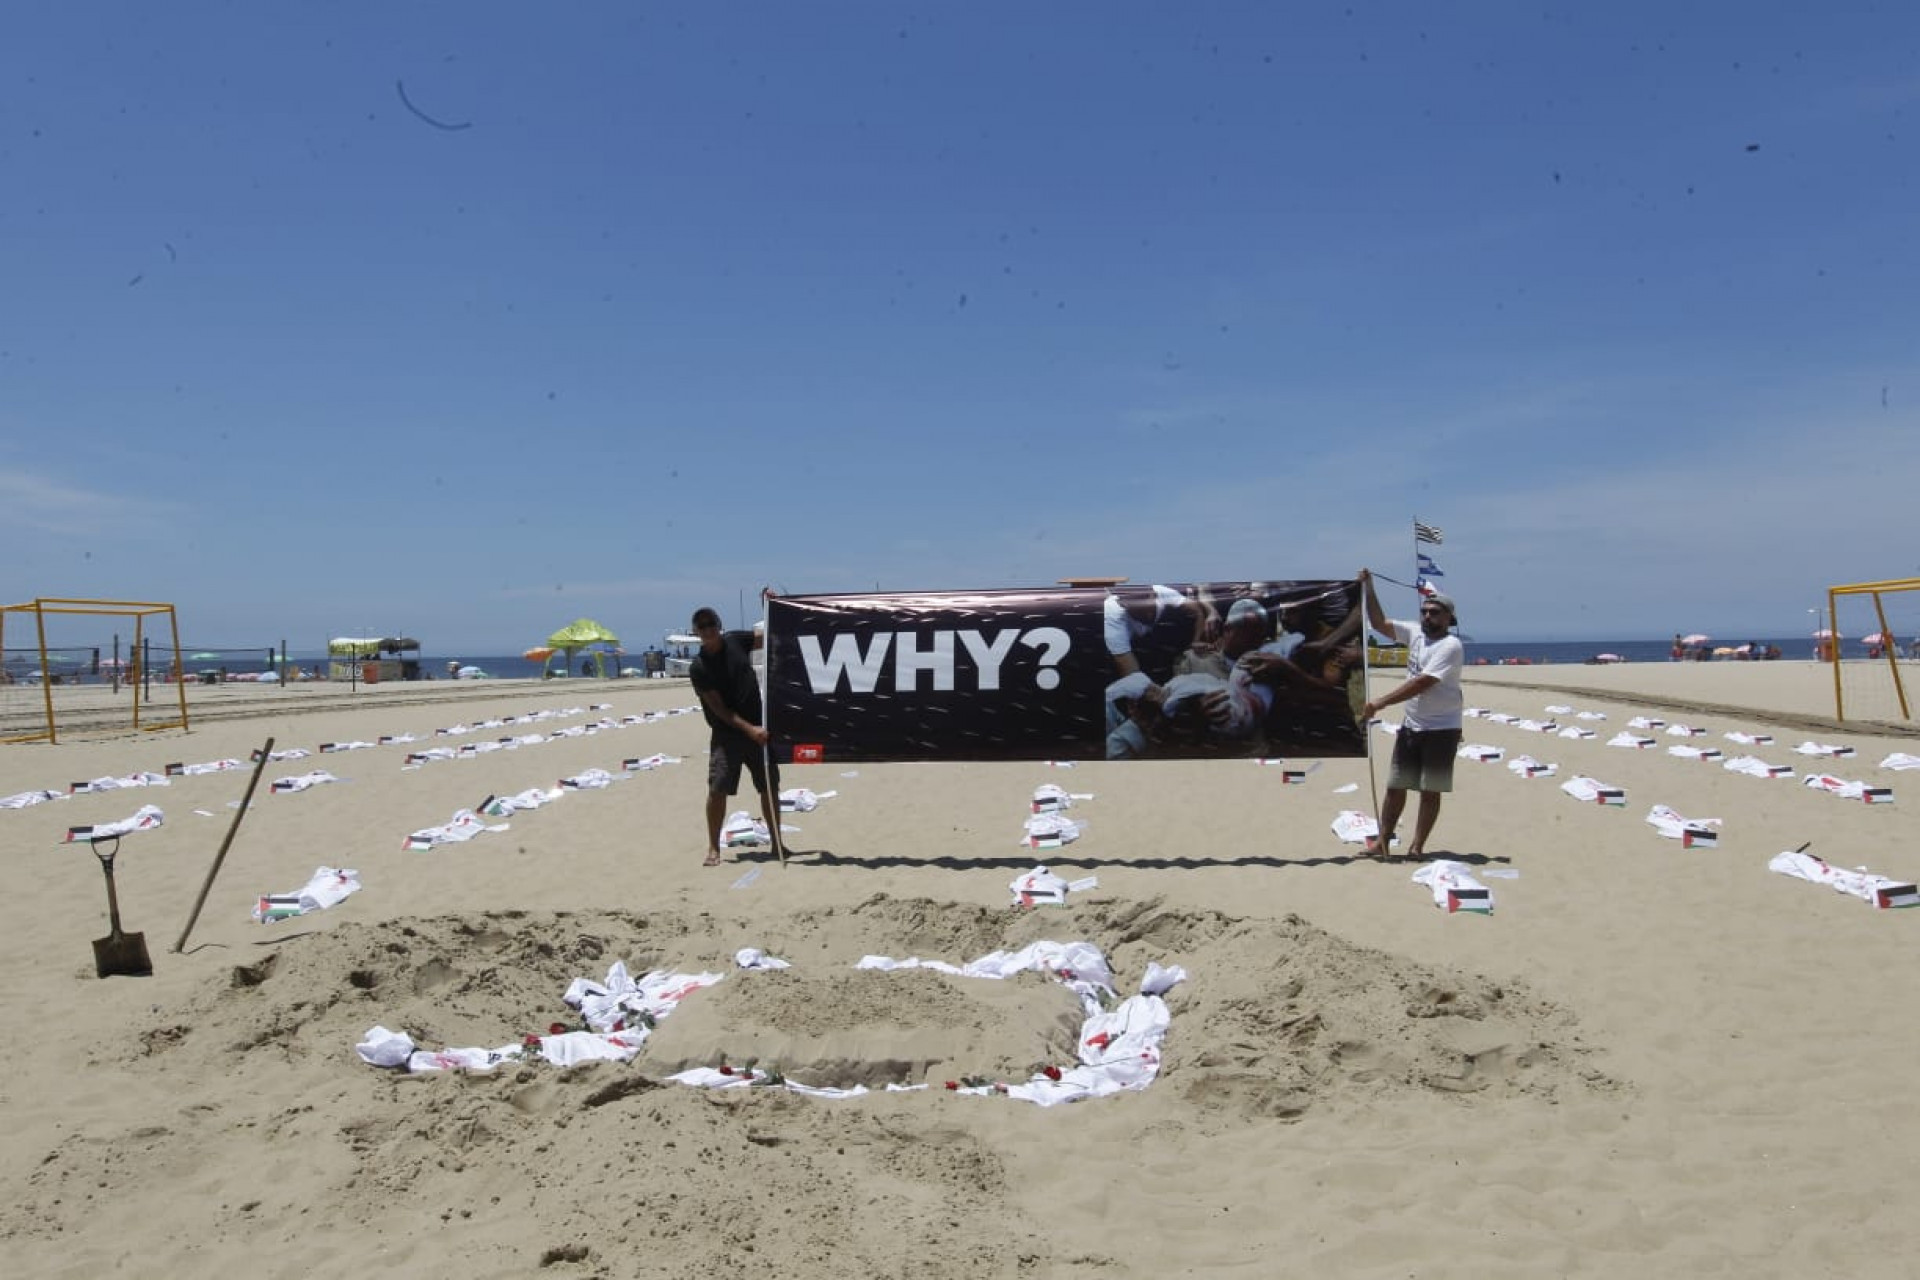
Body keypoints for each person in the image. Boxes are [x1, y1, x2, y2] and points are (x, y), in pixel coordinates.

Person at [1358, 570, 1465, 859]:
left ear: (1448, 619)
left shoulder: (1451, 646)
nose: (1428, 616)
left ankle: (1417, 846)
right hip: (1412, 726)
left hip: (1442, 729)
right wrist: (1369, 587)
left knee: (1430, 791)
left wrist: (1379, 703)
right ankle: (1382, 841)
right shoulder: (1415, 633)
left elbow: (1422, 682)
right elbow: (1379, 624)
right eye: (1425, 611)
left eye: (1435, 612)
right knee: (1396, 786)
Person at [688, 605, 780, 867]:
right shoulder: (699, 667)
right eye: (702, 626)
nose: (708, 630)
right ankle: (714, 848)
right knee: (717, 790)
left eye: (711, 624)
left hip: (759, 729)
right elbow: (720, 710)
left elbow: (770, 634)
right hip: (726, 735)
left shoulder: (736, 641)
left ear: (719, 625)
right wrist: (749, 730)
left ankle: (777, 843)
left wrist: (773, 606)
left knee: (769, 787)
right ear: (696, 632)